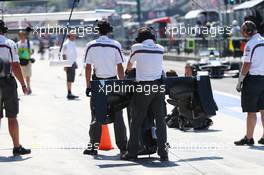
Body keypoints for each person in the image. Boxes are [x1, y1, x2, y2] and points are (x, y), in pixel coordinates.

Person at [121, 27, 169, 161]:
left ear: (140, 39)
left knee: (136, 121)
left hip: (144, 88)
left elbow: (129, 66)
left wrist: (129, 71)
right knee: (160, 121)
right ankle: (163, 153)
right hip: (158, 88)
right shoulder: (160, 48)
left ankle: (132, 152)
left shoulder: (137, 47)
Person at [83, 20, 127, 156]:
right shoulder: (116, 45)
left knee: (96, 115)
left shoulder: (90, 45)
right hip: (113, 83)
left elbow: (88, 67)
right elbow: (120, 67)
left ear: (97, 31)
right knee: (118, 115)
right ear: (109, 31)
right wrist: (123, 84)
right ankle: (123, 147)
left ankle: (93, 147)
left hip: (98, 84)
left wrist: (88, 85)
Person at [0, 20, 31, 155]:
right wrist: (24, 84)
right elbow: (15, 66)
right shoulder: (9, 44)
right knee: (12, 116)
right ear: (4, 30)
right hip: (7, 83)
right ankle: (16, 147)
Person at [235, 21, 264, 146]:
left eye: (243, 31)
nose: (243, 34)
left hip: (253, 80)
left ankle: (249, 137)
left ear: (248, 31)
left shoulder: (250, 44)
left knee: (251, 111)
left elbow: (247, 64)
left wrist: (240, 80)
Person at [62, 31, 79, 100]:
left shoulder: (73, 43)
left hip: (73, 62)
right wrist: (65, 64)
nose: (75, 37)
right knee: (69, 78)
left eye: (75, 35)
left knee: (71, 78)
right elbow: (64, 55)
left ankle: (70, 92)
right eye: (73, 35)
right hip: (68, 63)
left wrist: (75, 62)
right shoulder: (66, 43)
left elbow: (73, 54)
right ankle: (69, 93)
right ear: (70, 36)